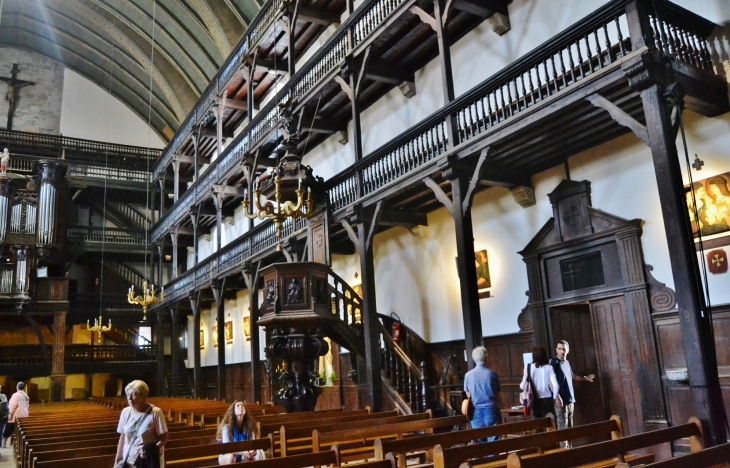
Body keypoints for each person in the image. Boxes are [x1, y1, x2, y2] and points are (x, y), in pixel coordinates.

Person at [114, 380, 168, 468]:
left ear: (143, 396)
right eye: (128, 395)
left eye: (134, 395)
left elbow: (164, 437)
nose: (129, 398)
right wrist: (117, 460)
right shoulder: (125, 412)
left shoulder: (156, 412)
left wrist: (150, 451)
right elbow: (123, 437)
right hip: (128, 460)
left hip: (146, 462)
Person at [550, 340, 595, 447]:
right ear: (556, 350)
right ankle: (565, 453)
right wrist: (557, 397)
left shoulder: (566, 363)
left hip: (570, 399)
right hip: (561, 400)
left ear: (568, 350)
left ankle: (570, 450)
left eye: (564, 349)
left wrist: (585, 378)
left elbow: (572, 376)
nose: (562, 351)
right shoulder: (553, 362)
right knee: (563, 428)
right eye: (559, 349)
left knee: (570, 428)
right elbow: (550, 380)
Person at [463, 346, 502, 442]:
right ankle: (492, 457)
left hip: (475, 411)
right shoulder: (492, 374)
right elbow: (498, 394)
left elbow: (468, 394)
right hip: (491, 409)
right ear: (486, 358)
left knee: (477, 441)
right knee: (493, 440)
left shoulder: (468, 375)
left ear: (473, 358)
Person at [520, 346, 562, 420]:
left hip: (534, 400)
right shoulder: (549, 367)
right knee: (551, 426)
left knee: (538, 427)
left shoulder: (528, 367)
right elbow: (556, 386)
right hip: (547, 400)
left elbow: (522, 386)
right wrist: (555, 398)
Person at [216, 400, 260, 464]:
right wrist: (243, 452)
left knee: (255, 456)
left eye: (242, 406)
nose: (241, 407)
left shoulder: (249, 426)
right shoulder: (227, 427)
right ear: (233, 411)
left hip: (245, 454)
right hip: (227, 455)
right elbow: (227, 448)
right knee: (230, 457)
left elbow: (252, 443)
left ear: (245, 411)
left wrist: (251, 452)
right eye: (238, 406)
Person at [2, 382, 29, 448]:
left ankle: (4, 443)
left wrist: (10, 415)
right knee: (21, 430)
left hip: (16, 415)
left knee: (8, 428)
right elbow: (27, 405)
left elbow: (12, 406)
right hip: (24, 415)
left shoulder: (16, 395)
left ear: (17, 387)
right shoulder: (26, 395)